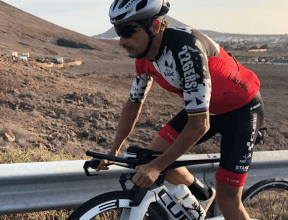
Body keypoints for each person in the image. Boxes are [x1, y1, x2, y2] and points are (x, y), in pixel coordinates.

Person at [95, 0, 265, 219]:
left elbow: (199, 125)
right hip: (209, 108)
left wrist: (157, 166)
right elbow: (134, 103)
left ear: (155, 26)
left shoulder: (186, 49)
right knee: (153, 157)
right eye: (118, 31)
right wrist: (113, 150)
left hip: (242, 110)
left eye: (127, 31)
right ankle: (200, 193)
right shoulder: (144, 56)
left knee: (228, 200)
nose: (121, 41)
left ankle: (214, 197)